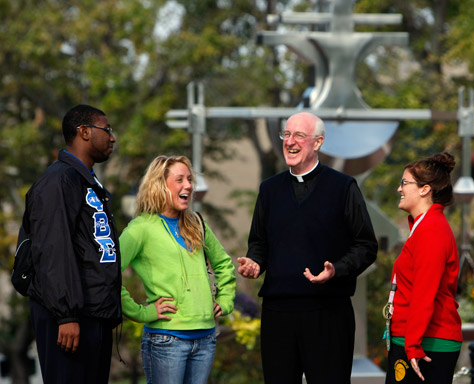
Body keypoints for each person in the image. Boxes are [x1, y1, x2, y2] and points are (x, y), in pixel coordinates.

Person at [238, 112, 378, 384]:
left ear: (318, 143)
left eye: (299, 135)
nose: (289, 141)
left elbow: (366, 245)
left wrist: (336, 270)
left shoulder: (343, 187)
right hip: (278, 315)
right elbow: (259, 243)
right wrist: (256, 262)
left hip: (328, 314)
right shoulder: (269, 190)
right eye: (286, 134)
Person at [25, 104, 122, 383]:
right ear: (85, 132)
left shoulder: (86, 181)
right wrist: (66, 316)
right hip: (70, 319)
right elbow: (53, 251)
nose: (112, 137)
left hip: (93, 315)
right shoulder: (58, 181)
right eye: (107, 129)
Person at [120, 155, 236, 384]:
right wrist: (141, 312)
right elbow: (108, 275)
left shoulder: (197, 223)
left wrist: (225, 301)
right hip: (166, 339)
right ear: (160, 185)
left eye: (190, 179)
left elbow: (224, 263)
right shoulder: (140, 228)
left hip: (205, 338)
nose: (189, 186)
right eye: (180, 179)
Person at [383, 152, 462, 384]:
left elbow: (424, 293)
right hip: (413, 339)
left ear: (424, 189)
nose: (399, 189)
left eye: (404, 183)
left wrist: (413, 344)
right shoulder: (423, 227)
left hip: (426, 343)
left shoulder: (432, 231)